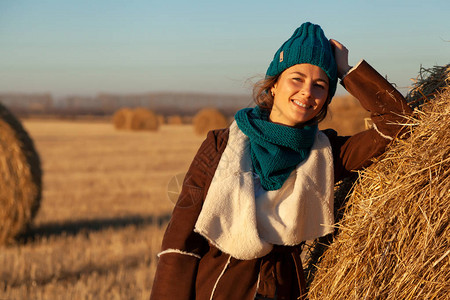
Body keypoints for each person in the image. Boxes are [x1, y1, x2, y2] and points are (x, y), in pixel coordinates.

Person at [150, 22, 412, 300]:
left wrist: (346, 71)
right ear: (274, 84)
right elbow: (180, 244)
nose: (307, 92)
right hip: (219, 287)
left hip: (284, 288)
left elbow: (399, 123)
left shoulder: (325, 154)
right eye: (296, 79)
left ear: (326, 99)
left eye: (320, 85)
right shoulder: (220, 145)